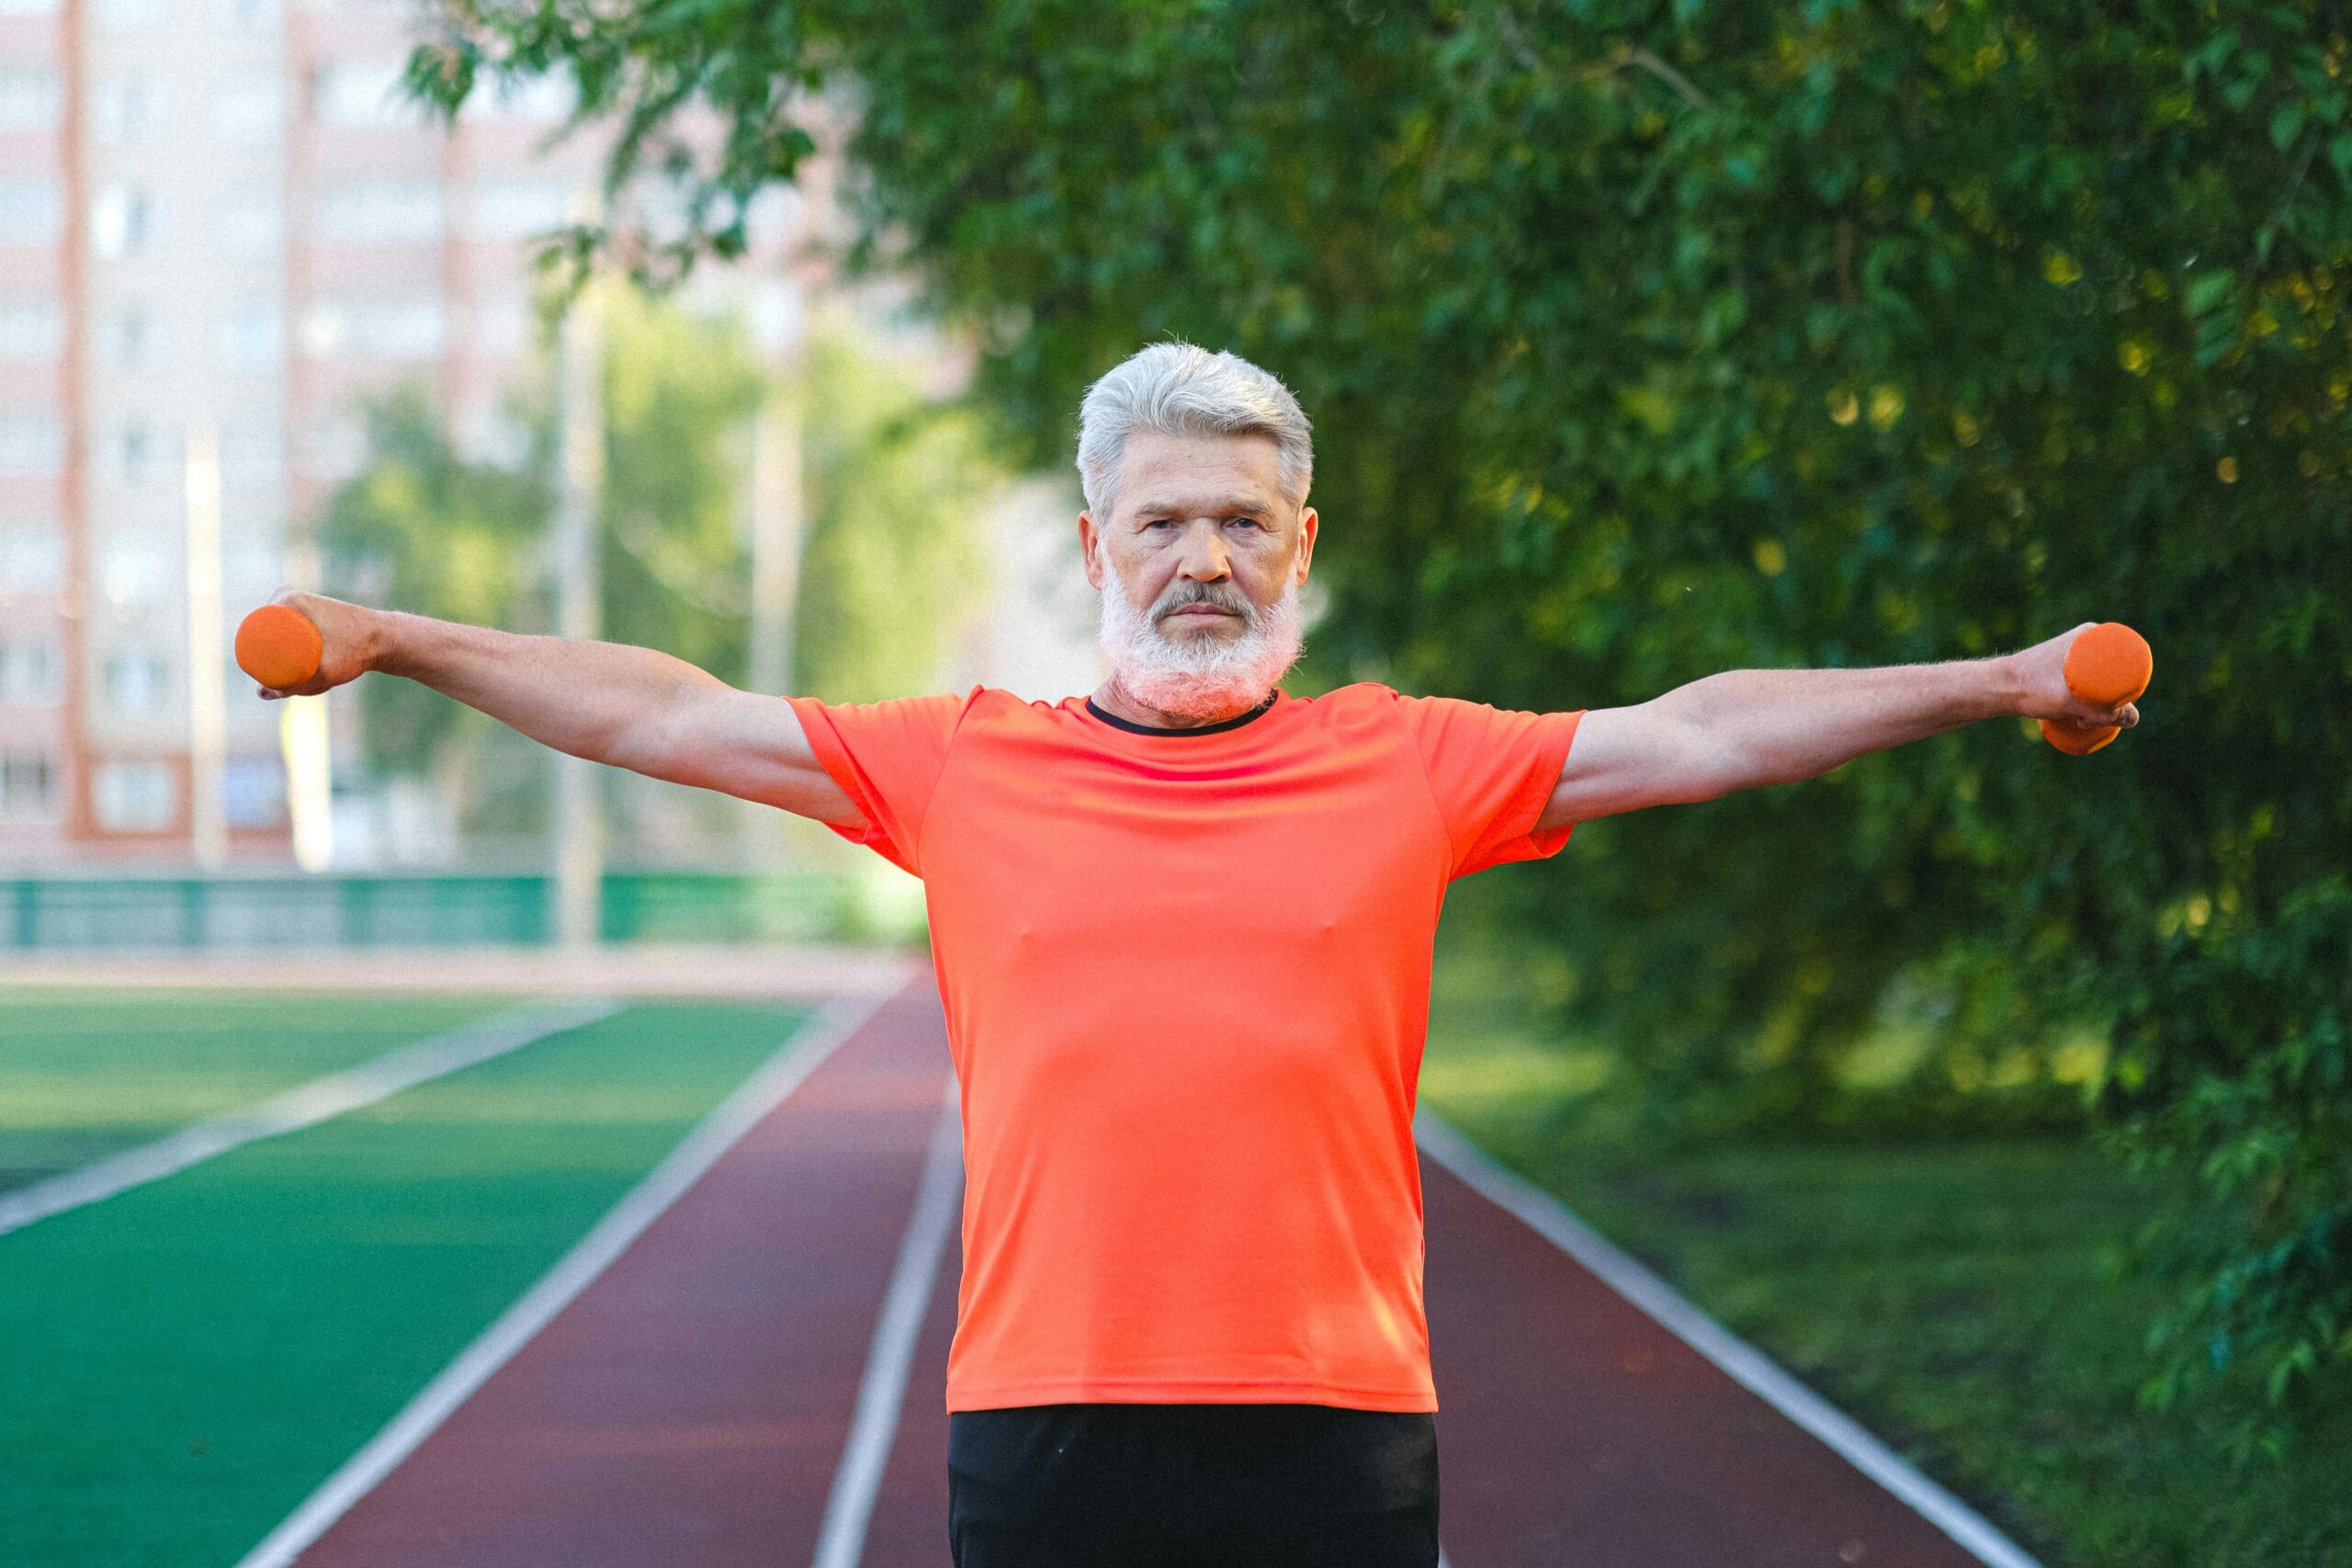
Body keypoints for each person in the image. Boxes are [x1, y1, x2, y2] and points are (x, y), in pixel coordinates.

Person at [255, 342, 2139, 1568]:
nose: (1203, 560)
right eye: (1163, 521)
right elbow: (662, 710)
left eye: (1242, 521)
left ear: (1299, 542)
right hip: (1045, 1416)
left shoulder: (1409, 758)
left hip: (1333, 1415)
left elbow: (1704, 727)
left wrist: (1998, 683)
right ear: (1096, 540)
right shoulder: (954, 763)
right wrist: (399, 636)